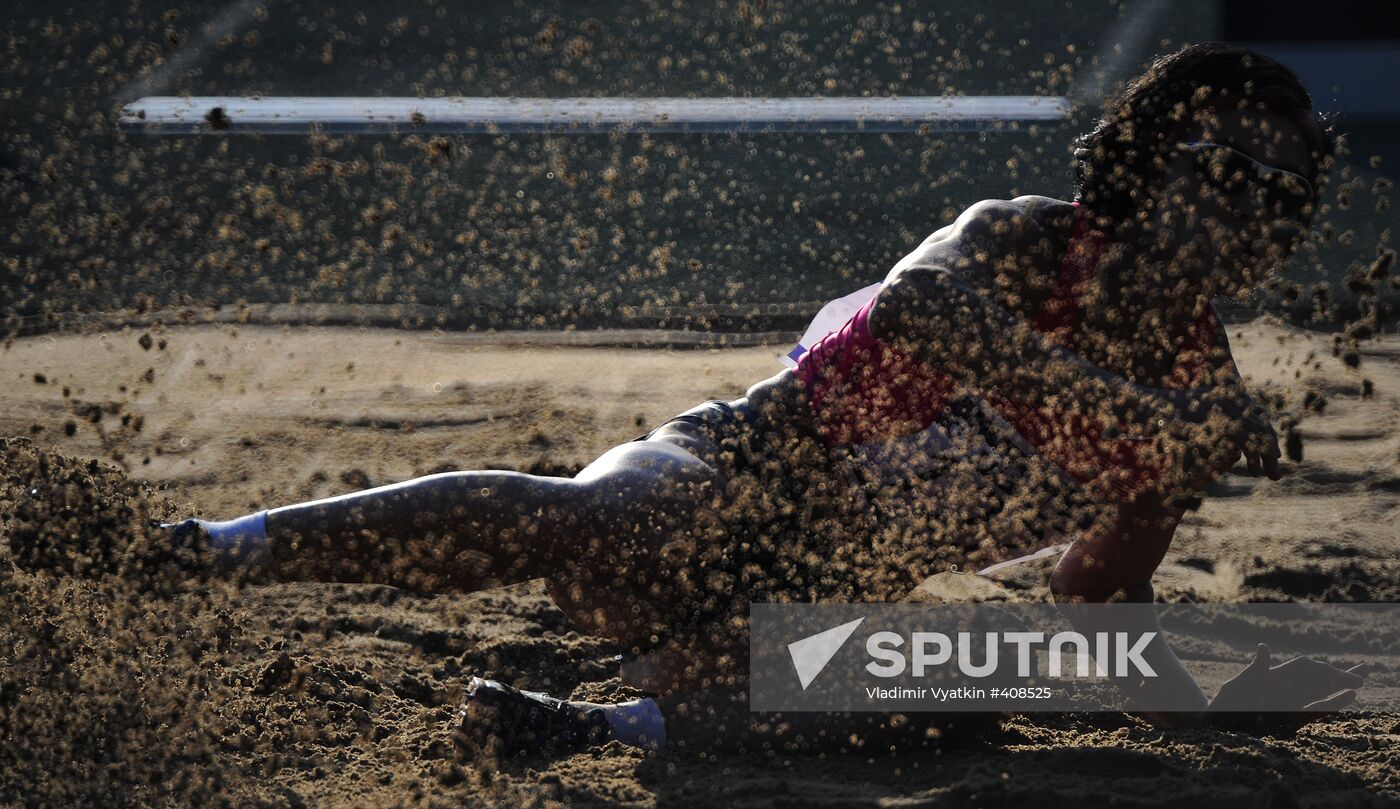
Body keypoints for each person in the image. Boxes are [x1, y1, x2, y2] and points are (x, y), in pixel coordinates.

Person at [153, 43, 1368, 755]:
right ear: (1142, 163)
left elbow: (1089, 596)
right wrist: (1137, 422)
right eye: (1220, 169)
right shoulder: (1020, 241)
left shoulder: (1197, 394)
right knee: (619, 518)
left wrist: (1222, 679)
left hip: (806, 613)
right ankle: (210, 549)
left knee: (970, 675)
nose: (1247, 205)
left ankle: (592, 729)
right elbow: (918, 319)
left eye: (1278, 194)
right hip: (724, 484)